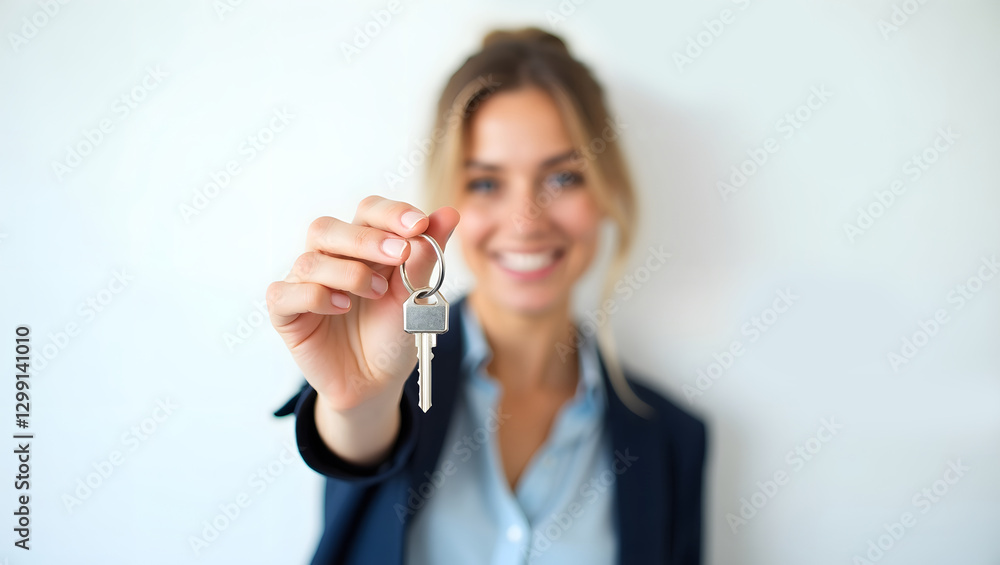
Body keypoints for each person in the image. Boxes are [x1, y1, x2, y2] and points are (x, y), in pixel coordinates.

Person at [269, 26, 708, 565]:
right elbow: (359, 439)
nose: (525, 221)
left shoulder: (673, 443)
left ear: (606, 191)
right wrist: (357, 407)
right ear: (445, 195)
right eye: (484, 183)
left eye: (564, 177)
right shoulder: (385, 372)